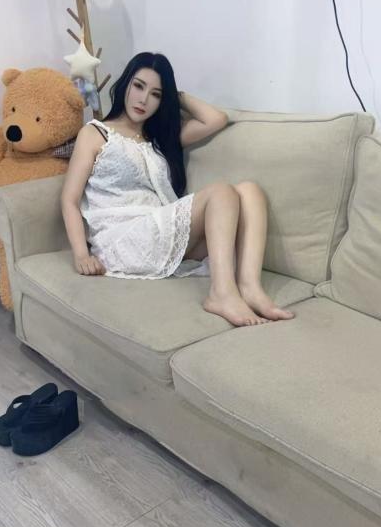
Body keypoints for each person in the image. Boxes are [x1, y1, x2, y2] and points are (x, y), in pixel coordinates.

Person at [61, 52, 294, 327]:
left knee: (250, 191)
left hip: (162, 230)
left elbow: (216, 119)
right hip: (123, 237)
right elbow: (70, 199)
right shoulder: (95, 133)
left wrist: (175, 95)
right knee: (221, 192)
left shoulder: (160, 139)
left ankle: (250, 287)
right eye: (139, 86)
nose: (144, 99)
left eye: (156, 94)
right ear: (125, 84)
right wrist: (81, 254)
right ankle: (221, 294)